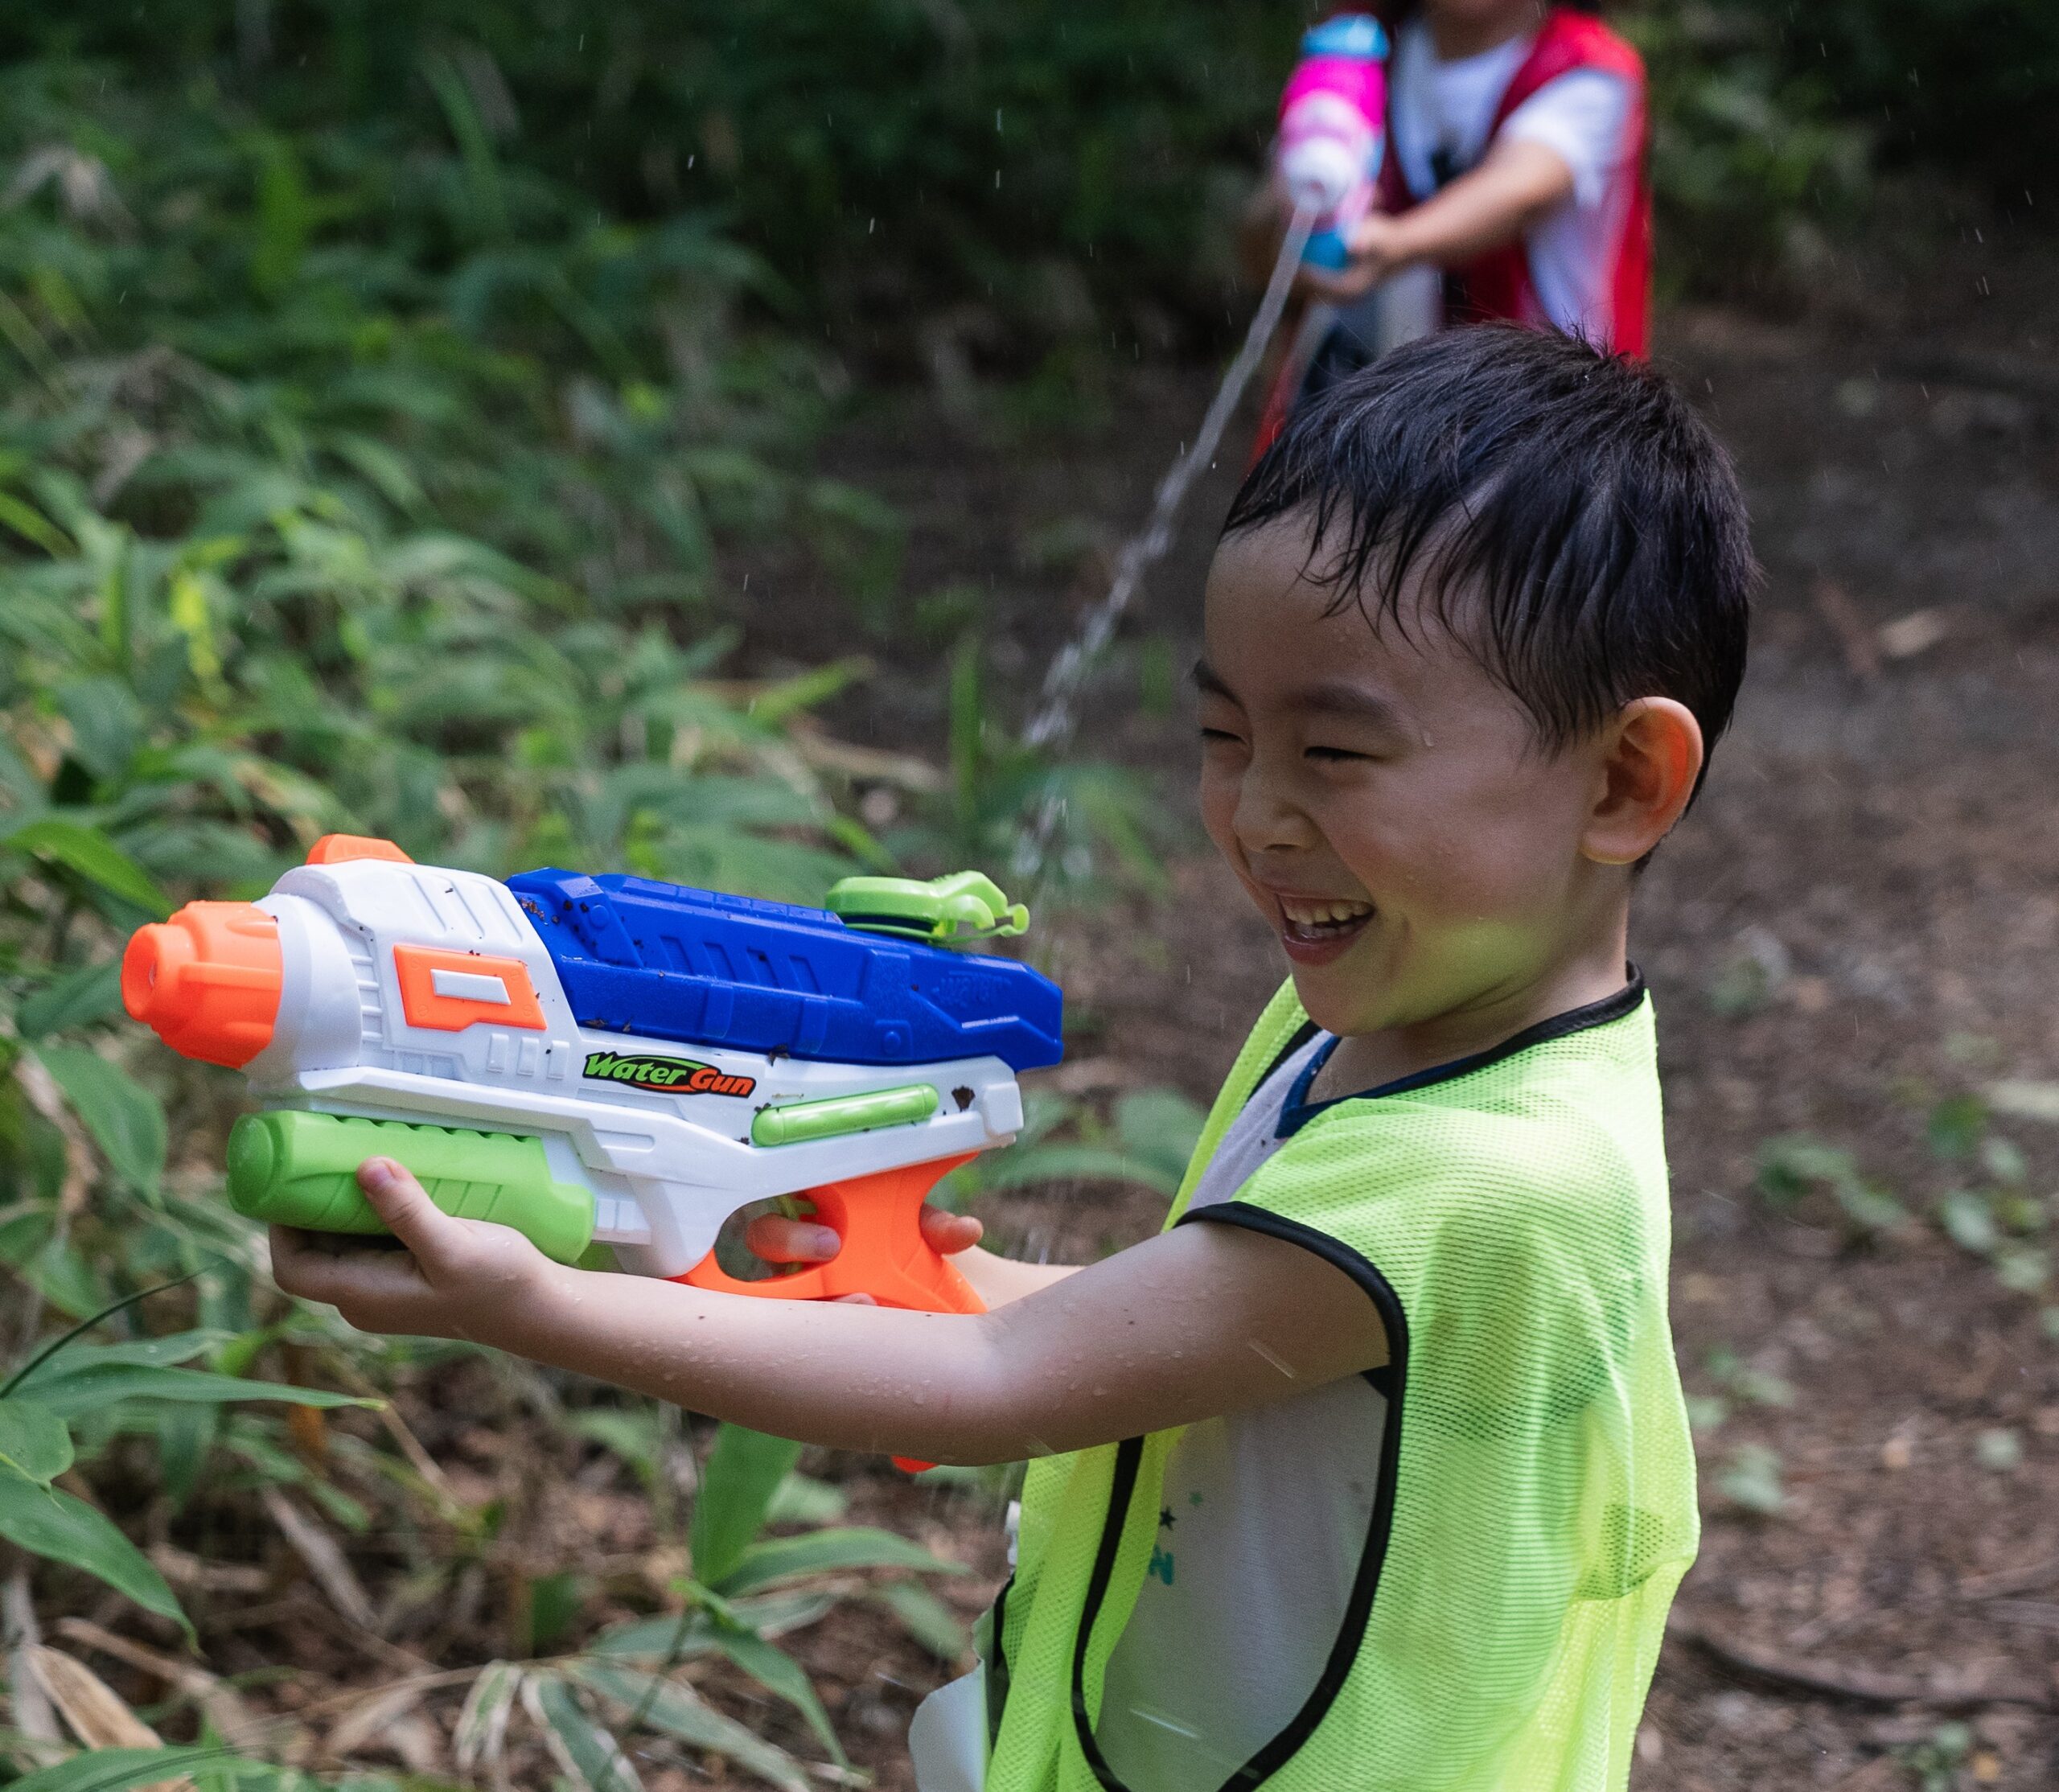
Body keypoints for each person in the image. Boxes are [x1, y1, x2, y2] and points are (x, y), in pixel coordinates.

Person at [272, 325, 1754, 1792]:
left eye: (1335, 754)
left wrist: (534, 1303)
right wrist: (933, 1281)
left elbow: (1006, 1379)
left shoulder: (1491, 1176)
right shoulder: (1380, 1021)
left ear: (1624, 781)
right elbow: (1218, 1339)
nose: (1255, 813)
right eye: (1223, 734)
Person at [1252, 0, 1652, 452]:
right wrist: (1294, 209)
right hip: (1361, 413)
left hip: (1544, 430)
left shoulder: (1590, 67)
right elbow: (1258, 239)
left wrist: (1394, 244)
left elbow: (1518, 192)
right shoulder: (1356, 49)